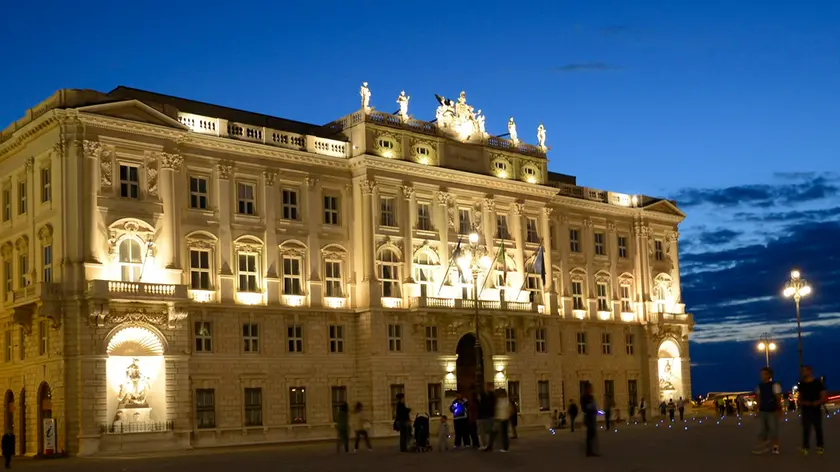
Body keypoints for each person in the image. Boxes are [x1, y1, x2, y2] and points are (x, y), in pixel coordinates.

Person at [752, 367, 782, 455]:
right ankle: (763, 446)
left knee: (774, 429)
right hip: (763, 410)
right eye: (761, 374)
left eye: (764, 374)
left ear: (769, 375)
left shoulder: (775, 385)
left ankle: (775, 447)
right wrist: (757, 410)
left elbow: (778, 398)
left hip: (772, 410)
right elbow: (758, 399)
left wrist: (780, 410)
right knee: (764, 430)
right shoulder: (759, 386)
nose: (762, 376)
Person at [798, 365, 827, 455]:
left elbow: (824, 396)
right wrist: (802, 402)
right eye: (802, 371)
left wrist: (818, 402)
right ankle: (805, 447)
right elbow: (800, 397)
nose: (803, 373)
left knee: (817, 427)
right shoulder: (801, 384)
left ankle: (820, 446)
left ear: (810, 371)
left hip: (816, 408)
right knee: (806, 428)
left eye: (804, 371)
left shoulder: (818, 383)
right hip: (806, 409)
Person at [486, 388, 510, 452]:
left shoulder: (506, 401)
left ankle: (505, 447)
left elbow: (509, 410)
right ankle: (490, 446)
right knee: (494, 433)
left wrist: (506, 416)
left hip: (504, 419)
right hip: (499, 419)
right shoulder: (499, 400)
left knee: (503, 434)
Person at [581, 382, 599, 457]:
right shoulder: (584, 397)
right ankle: (589, 451)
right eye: (590, 388)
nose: (591, 389)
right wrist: (590, 407)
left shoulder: (590, 397)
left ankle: (591, 450)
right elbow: (584, 408)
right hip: (588, 417)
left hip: (592, 416)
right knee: (590, 434)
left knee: (592, 434)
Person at [478, 383, 497, 450]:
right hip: (483, 416)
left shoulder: (492, 395)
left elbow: (493, 404)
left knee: (489, 431)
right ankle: (485, 445)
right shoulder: (482, 394)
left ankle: (488, 445)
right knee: (483, 432)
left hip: (489, 415)